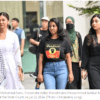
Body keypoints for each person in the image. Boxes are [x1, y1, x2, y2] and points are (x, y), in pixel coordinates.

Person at [37, 18, 74, 89]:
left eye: (54, 26)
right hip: (48, 70)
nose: (51, 28)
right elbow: (41, 58)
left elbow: (68, 57)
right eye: (50, 26)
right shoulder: (44, 40)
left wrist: (71, 73)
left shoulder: (64, 41)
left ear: (58, 27)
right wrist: (39, 73)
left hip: (62, 69)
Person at [0, 12, 24, 89]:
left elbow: (17, 53)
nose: (1, 22)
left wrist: (20, 69)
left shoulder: (13, 36)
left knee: (11, 88)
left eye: (3, 20)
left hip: (11, 66)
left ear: (8, 21)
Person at [29, 16, 49, 89]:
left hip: (49, 53)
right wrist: (37, 43)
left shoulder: (50, 31)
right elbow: (31, 40)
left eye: (45, 21)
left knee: (46, 68)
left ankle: (47, 86)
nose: (44, 23)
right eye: (43, 21)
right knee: (39, 66)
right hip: (39, 52)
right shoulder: (37, 31)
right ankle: (37, 86)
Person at [82, 14, 100, 89]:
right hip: (93, 66)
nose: (94, 23)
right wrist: (83, 69)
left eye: (96, 21)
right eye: (92, 22)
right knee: (96, 88)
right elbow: (85, 53)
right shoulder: (88, 37)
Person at [65, 16, 82, 89]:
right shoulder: (63, 34)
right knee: (68, 82)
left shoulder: (77, 34)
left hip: (76, 61)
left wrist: (81, 59)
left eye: (71, 22)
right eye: (67, 22)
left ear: (73, 23)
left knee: (76, 81)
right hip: (66, 61)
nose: (69, 24)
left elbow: (81, 48)